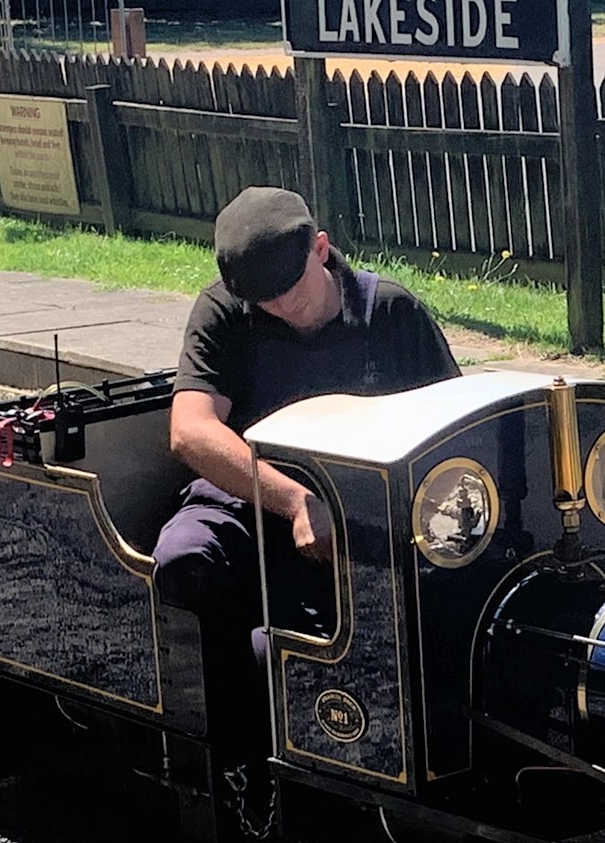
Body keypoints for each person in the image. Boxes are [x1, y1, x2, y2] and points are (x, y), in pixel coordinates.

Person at [153, 186, 459, 762]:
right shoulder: (222, 310)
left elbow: (453, 435)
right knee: (183, 557)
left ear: (321, 250)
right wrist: (295, 501)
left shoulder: (391, 312)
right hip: (246, 498)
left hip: (362, 513)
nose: (281, 309)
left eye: (289, 292)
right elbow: (190, 431)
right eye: (264, 301)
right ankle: (225, 752)